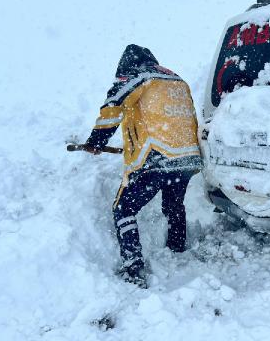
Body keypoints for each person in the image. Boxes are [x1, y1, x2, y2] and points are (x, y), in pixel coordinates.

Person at [83, 44, 202, 287]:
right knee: (174, 205)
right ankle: (177, 250)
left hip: (156, 158)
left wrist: (96, 141)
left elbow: (113, 105)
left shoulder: (138, 76)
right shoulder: (176, 79)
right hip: (187, 158)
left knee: (123, 209)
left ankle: (133, 266)